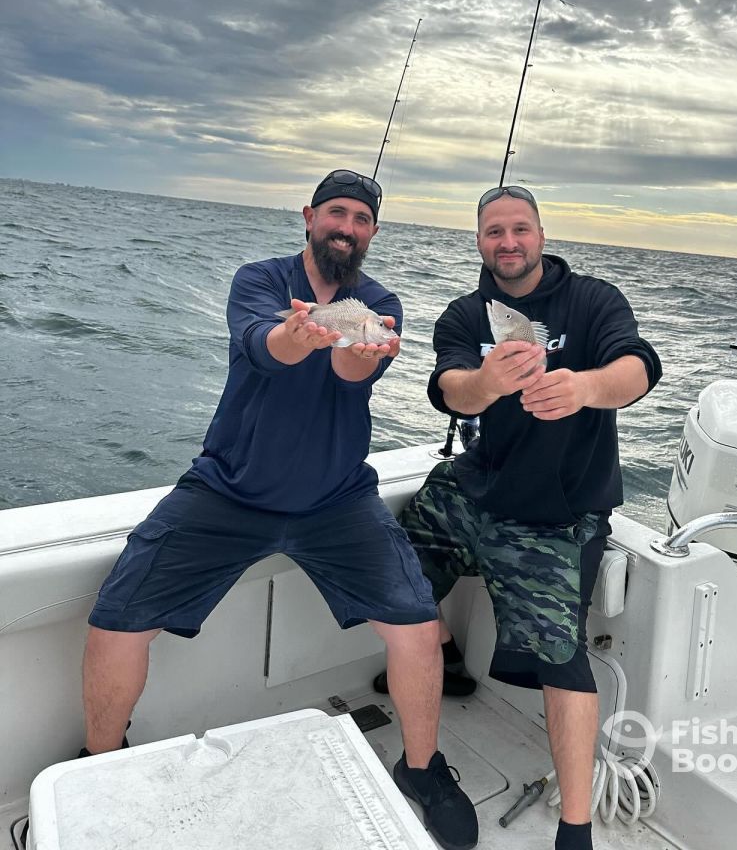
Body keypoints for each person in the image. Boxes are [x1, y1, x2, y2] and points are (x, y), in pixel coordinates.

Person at [81, 169, 478, 850]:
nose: (346, 227)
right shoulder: (260, 280)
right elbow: (266, 349)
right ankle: (99, 762)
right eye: (336, 213)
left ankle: (421, 767)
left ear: (372, 232)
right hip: (228, 491)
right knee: (116, 619)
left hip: (337, 498)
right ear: (309, 217)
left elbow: (354, 373)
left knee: (417, 626)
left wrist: (357, 347)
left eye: (360, 218)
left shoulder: (380, 303)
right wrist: (301, 335)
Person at [397, 185, 662, 850]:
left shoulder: (593, 300)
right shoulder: (467, 313)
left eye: (520, 229)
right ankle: (441, 666)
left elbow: (639, 367)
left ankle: (575, 828)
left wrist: (585, 387)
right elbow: (449, 389)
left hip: (558, 513)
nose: (508, 242)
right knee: (393, 575)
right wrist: (486, 383)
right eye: (494, 231)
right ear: (479, 242)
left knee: (560, 657)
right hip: (477, 485)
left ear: (541, 235)